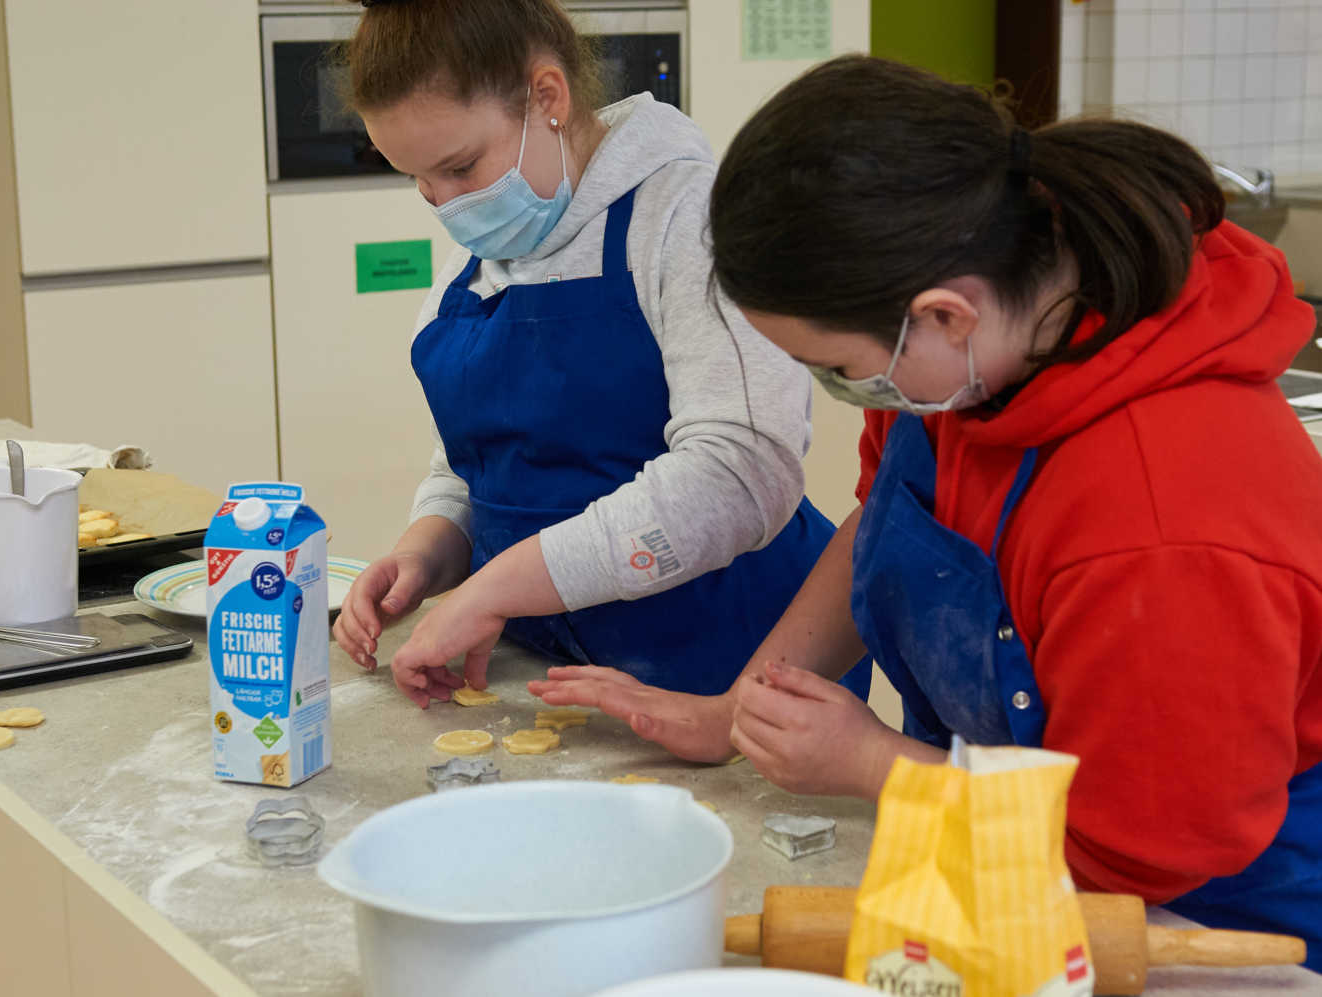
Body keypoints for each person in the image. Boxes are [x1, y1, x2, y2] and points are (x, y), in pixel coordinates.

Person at [533, 55, 1322, 967]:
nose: (847, 391)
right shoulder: (975, 356)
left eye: (839, 368)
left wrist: (875, 765)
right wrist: (738, 711)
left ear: (945, 316)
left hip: (1206, 926)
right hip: (995, 847)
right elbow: (886, 519)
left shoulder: (1165, 526)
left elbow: (1125, 857)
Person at [331, 0, 869, 709]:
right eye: (419, 180)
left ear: (547, 97)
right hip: (553, 674)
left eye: (460, 167)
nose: (446, 205)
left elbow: (741, 473)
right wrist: (424, 552)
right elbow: (478, 463)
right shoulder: (478, 259)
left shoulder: (687, 221)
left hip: (732, 668)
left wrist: (500, 586)